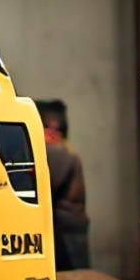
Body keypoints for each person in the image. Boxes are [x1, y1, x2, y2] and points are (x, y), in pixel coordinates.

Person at [36, 99, 91, 271]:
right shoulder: (65, 150)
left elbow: (43, 190)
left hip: (64, 233)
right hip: (70, 230)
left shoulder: (55, 152)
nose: (51, 133)